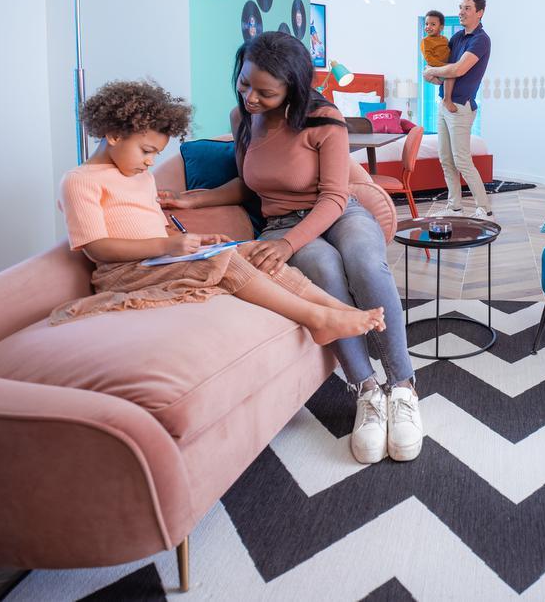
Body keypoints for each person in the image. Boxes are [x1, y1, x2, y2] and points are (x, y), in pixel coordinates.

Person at [159, 33, 423, 464]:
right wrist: (194, 200)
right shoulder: (242, 118)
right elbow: (250, 184)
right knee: (324, 268)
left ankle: (403, 387)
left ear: (293, 88)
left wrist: (287, 244)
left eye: (265, 92)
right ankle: (367, 390)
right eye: (245, 83)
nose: (251, 98)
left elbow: (334, 196)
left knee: (363, 261)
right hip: (281, 222)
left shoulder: (323, 119)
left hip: (338, 212)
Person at [53, 79, 385, 349]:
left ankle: (337, 308)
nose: (150, 162)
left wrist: (195, 242)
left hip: (157, 261)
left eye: (155, 154)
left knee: (251, 252)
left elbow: (160, 232)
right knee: (225, 261)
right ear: (113, 136)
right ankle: (318, 319)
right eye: (146, 151)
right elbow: (97, 248)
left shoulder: (140, 176)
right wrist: (167, 246)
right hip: (123, 273)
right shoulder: (80, 181)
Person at [423, 0, 492, 218]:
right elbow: (446, 73)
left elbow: (458, 69)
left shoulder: (481, 40)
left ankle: (485, 209)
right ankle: (455, 206)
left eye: (467, 8)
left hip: (461, 106)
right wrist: (432, 75)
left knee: (462, 160)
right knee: (446, 159)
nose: (461, 12)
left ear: (480, 13)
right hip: (444, 104)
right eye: (460, 7)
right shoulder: (456, 38)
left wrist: (432, 71)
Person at [420, 9, 457, 113]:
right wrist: (444, 66)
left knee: (451, 75)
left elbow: (448, 52)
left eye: (433, 24)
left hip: (443, 66)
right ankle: (447, 99)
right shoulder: (425, 41)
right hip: (435, 67)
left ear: (441, 27)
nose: (428, 27)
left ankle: (440, 83)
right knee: (451, 75)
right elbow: (429, 58)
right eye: (426, 24)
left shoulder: (444, 39)